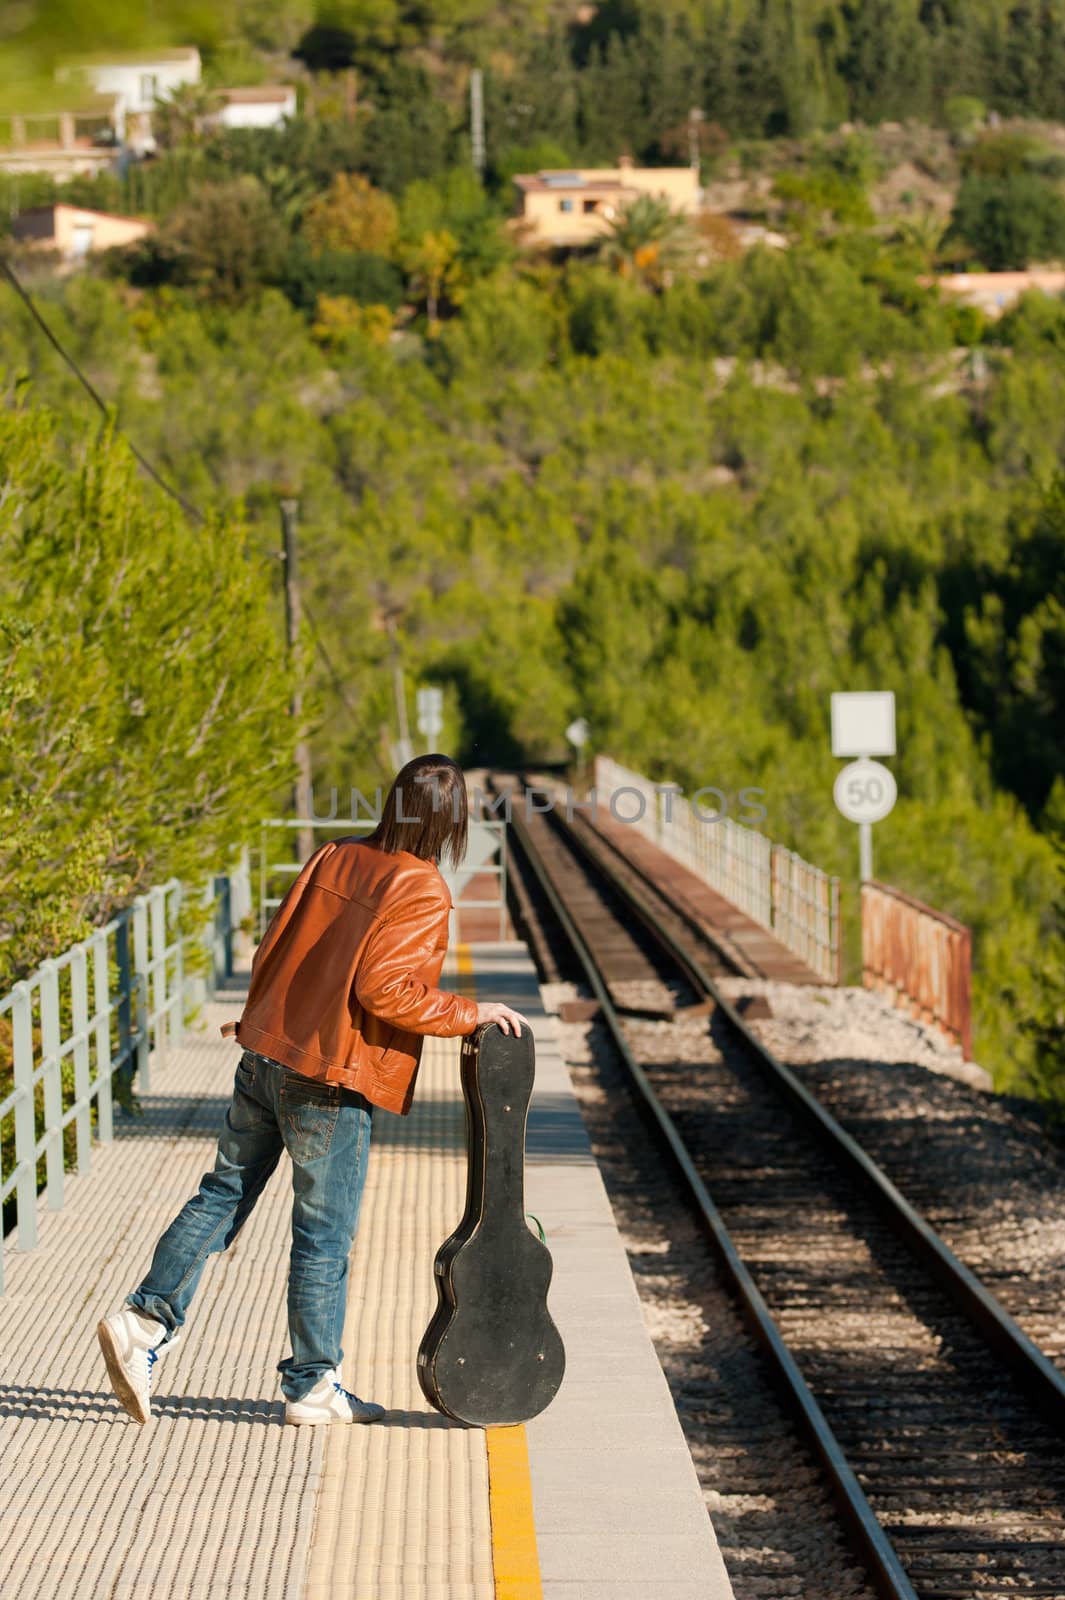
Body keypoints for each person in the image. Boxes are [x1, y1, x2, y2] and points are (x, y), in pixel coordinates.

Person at [97, 754, 529, 1427]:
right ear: (453, 821)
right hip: (329, 1076)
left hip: (267, 1052)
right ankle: (311, 1386)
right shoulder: (420, 888)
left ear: (394, 801)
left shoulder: (336, 855)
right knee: (323, 1237)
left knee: (222, 1193)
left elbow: (278, 941)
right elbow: (385, 991)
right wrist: (471, 1013)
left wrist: (256, 1017)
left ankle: (144, 1321)